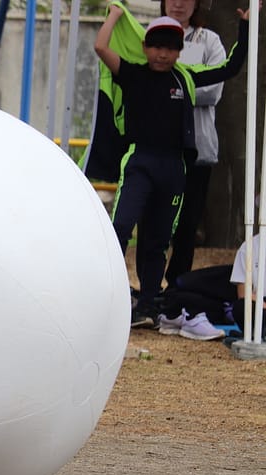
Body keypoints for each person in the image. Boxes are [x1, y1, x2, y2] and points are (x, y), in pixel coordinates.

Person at [94, 4, 250, 328]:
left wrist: (246, 27)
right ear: (145, 47)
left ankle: (148, 305)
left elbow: (231, 67)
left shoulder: (186, 78)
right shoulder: (133, 73)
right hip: (139, 161)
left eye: (170, 48)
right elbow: (100, 47)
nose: (162, 54)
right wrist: (114, 16)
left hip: (173, 167)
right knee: (120, 226)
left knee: (157, 239)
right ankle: (103, 294)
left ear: (179, 52)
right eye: (156, 47)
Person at [158, 0, 226, 288]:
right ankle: (149, 286)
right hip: (158, 147)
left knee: (187, 224)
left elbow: (213, 90)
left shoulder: (209, 40)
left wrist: (170, 87)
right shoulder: (149, 35)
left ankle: (177, 286)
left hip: (198, 149)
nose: (178, 3)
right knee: (155, 220)